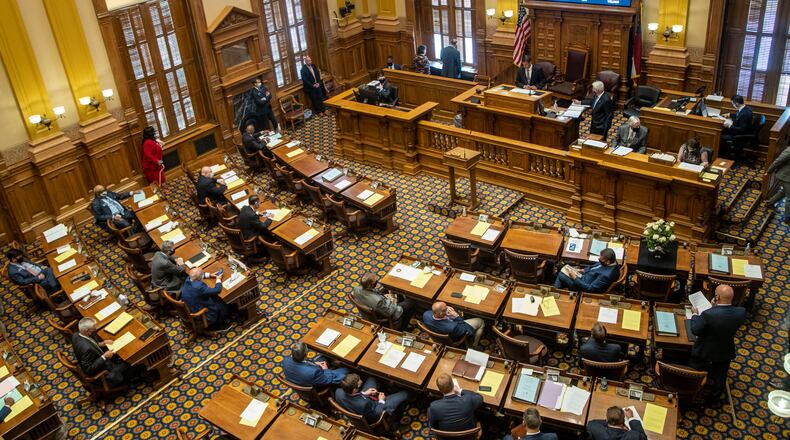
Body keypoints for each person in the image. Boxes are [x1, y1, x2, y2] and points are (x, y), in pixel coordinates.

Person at [688, 284, 747, 402]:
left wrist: (695, 314)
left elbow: (696, 329)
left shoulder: (709, 314)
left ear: (717, 297)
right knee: (720, 375)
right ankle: (715, 396)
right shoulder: (741, 312)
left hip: (705, 350)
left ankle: (691, 388)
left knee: (693, 368)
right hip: (725, 350)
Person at [71, 317, 148, 386]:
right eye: (93, 328)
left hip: (98, 357)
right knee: (130, 361)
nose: (95, 329)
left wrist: (101, 344)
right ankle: (133, 378)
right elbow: (89, 370)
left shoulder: (76, 334)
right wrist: (104, 357)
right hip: (104, 370)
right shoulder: (86, 349)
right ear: (87, 331)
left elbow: (89, 343)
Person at [335, 373, 410, 425]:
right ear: (354, 389)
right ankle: (396, 417)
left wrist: (364, 393)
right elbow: (376, 416)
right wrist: (381, 400)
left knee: (372, 377)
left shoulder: (338, 392)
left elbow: (354, 396)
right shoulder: (364, 404)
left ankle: (389, 388)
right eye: (359, 383)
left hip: (358, 401)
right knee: (405, 393)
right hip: (376, 408)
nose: (361, 381)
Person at [281, 341, 349, 388]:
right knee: (345, 369)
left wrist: (314, 364)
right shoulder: (314, 372)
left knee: (322, 357)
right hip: (314, 384)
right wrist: (326, 369)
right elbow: (327, 380)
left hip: (300, 377)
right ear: (305, 355)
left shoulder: (285, 360)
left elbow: (301, 361)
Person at [554, 248, 619, 293]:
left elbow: (589, 288)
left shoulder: (605, 276)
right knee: (564, 270)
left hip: (582, 286)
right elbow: (593, 268)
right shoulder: (613, 262)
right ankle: (557, 290)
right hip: (584, 276)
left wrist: (575, 277)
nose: (599, 260)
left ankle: (556, 291)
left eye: (601, 260)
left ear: (608, 262)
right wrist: (582, 270)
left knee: (561, 274)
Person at [765, 144, 790, 225]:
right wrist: (769, 171)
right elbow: (778, 161)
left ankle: (770, 203)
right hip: (785, 176)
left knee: (784, 192)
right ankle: (788, 218)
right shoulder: (789, 151)